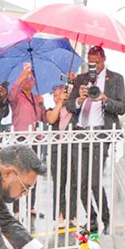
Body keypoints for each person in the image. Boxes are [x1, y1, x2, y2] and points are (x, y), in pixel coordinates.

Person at [66, 46, 125, 233]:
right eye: (91, 63)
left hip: (101, 133)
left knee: (93, 181)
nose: (94, 66)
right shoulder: (81, 79)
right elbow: (69, 106)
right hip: (80, 132)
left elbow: (122, 107)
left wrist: (104, 99)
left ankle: (105, 217)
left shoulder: (116, 79)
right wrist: (79, 99)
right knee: (79, 182)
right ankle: (91, 218)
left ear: (104, 59)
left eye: (97, 63)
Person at [8, 63, 46, 217]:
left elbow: (43, 117)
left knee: (33, 171)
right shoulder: (16, 95)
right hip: (21, 136)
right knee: (18, 172)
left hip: (35, 137)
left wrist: (42, 105)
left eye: (31, 77)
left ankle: (31, 206)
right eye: (27, 78)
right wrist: (20, 77)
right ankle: (16, 209)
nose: (29, 80)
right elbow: (10, 96)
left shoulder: (36, 97)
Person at [45, 83, 75, 228]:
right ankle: (60, 214)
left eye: (61, 94)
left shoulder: (71, 109)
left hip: (72, 148)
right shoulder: (51, 110)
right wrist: (60, 102)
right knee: (59, 182)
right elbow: (51, 119)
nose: (58, 97)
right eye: (55, 95)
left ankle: (72, 213)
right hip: (57, 149)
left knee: (73, 181)